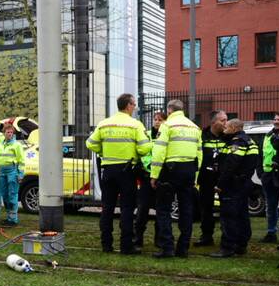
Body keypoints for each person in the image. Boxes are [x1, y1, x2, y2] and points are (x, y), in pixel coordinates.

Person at [86, 93, 152, 254]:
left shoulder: (104, 124)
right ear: (128, 105)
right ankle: (126, 246)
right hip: (127, 171)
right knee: (127, 208)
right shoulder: (135, 125)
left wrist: (103, 152)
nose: (135, 107)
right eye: (134, 104)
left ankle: (106, 245)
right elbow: (144, 148)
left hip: (108, 170)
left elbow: (90, 143)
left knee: (107, 208)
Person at [150, 100, 202, 259]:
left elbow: (159, 152)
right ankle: (183, 248)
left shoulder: (167, 126)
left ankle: (167, 247)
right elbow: (199, 154)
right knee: (186, 210)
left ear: (169, 111)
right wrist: (195, 176)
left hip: (170, 170)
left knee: (163, 209)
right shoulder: (195, 127)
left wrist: (154, 174)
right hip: (189, 170)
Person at [211, 119, 259, 258]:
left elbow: (230, 166)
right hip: (244, 183)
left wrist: (220, 184)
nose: (224, 129)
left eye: (226, 127)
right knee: (242, 215)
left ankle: (227, 247)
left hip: (232, 185)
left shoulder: (237, 143)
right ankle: (241, 245)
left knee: (228, 216)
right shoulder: (250, 141)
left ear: (233, 128)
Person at [194, 110, 228, 247]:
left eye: (226, 120)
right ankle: (206, 236)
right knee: (206, 208)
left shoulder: (228, 137)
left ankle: (226, 237)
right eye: (223, 120)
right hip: (206, 177)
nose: (226, 123)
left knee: (226, 208)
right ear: (213, 122)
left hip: (223, 178)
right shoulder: (202, 136)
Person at [134, 111, 166, 248]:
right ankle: (138, 238)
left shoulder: (167, 135)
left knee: (161, 210)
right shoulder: (146, 134)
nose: (157, 122)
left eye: (160, 120)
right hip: (147, 177)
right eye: (155, 119)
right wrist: (148, 169)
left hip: (162, 177)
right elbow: (143, 152)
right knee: (142, 209)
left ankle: (159, 239)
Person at [259, 111, 279, 243]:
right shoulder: (268, 135)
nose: (276, 121)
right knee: (271, 206)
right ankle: (271, 233)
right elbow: (261, 154)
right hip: (269, 175)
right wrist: (260, 172)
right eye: (275, 119)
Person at [0, 122, 26, 226]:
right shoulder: (0, 145)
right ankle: (9, 217)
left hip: (12, 171)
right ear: (4, 133)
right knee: (5, 195)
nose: (10, 134)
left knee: (12, 195)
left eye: (11, 132)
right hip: (1, 172)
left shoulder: (17, 145)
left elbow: (21, 161)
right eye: (8, 132)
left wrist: (20, 174)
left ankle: (13, 219)